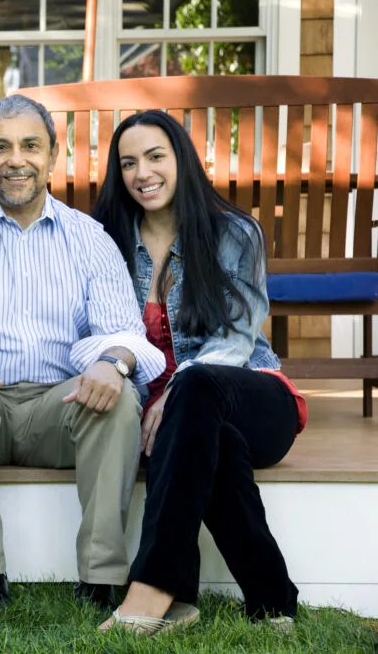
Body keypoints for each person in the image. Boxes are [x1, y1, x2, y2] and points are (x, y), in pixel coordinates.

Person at [0, 95, 166, 613]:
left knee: (118, 395)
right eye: (1, 147)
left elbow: (125, 333)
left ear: (52, 155)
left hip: (62, 409)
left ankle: (100, 578)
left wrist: (113, 361)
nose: (16, 159)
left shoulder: (90, 238)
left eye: (30, 146)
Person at [92, 110, 306, 635]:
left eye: (156, 156)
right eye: (128, 163)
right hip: (182, 427)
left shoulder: (234, 231)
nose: (143, 172)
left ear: (182, 159)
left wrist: (174, 391)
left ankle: (157, 587)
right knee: (218, 448)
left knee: (197, 388)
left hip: (253, 395)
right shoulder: (109, 241)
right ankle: (272, 599)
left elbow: (236, 338)